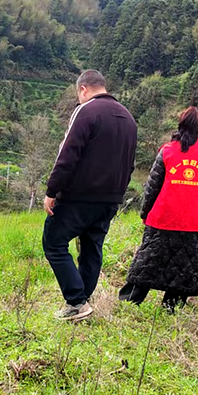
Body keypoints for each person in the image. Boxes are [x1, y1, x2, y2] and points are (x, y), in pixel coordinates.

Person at [43, 70, 137, 321]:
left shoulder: (86, 111)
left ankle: (76, 301)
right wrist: (118, 192)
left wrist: (52, 190)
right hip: (110, 198)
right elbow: (130, 164)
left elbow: (68, 153)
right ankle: (81, 303)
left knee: (53, 242)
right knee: (91, 249)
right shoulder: (129, 118)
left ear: (83, 88)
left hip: (78, 196)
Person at [119, 107, 198, 312]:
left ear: (179, 125)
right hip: (197, 223)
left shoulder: (167, 151)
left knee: (148, 262)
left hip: (163, 218)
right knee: (187, 267)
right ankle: (171, 308)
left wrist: (145, 213)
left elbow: (152, 187)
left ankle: (129, 302)